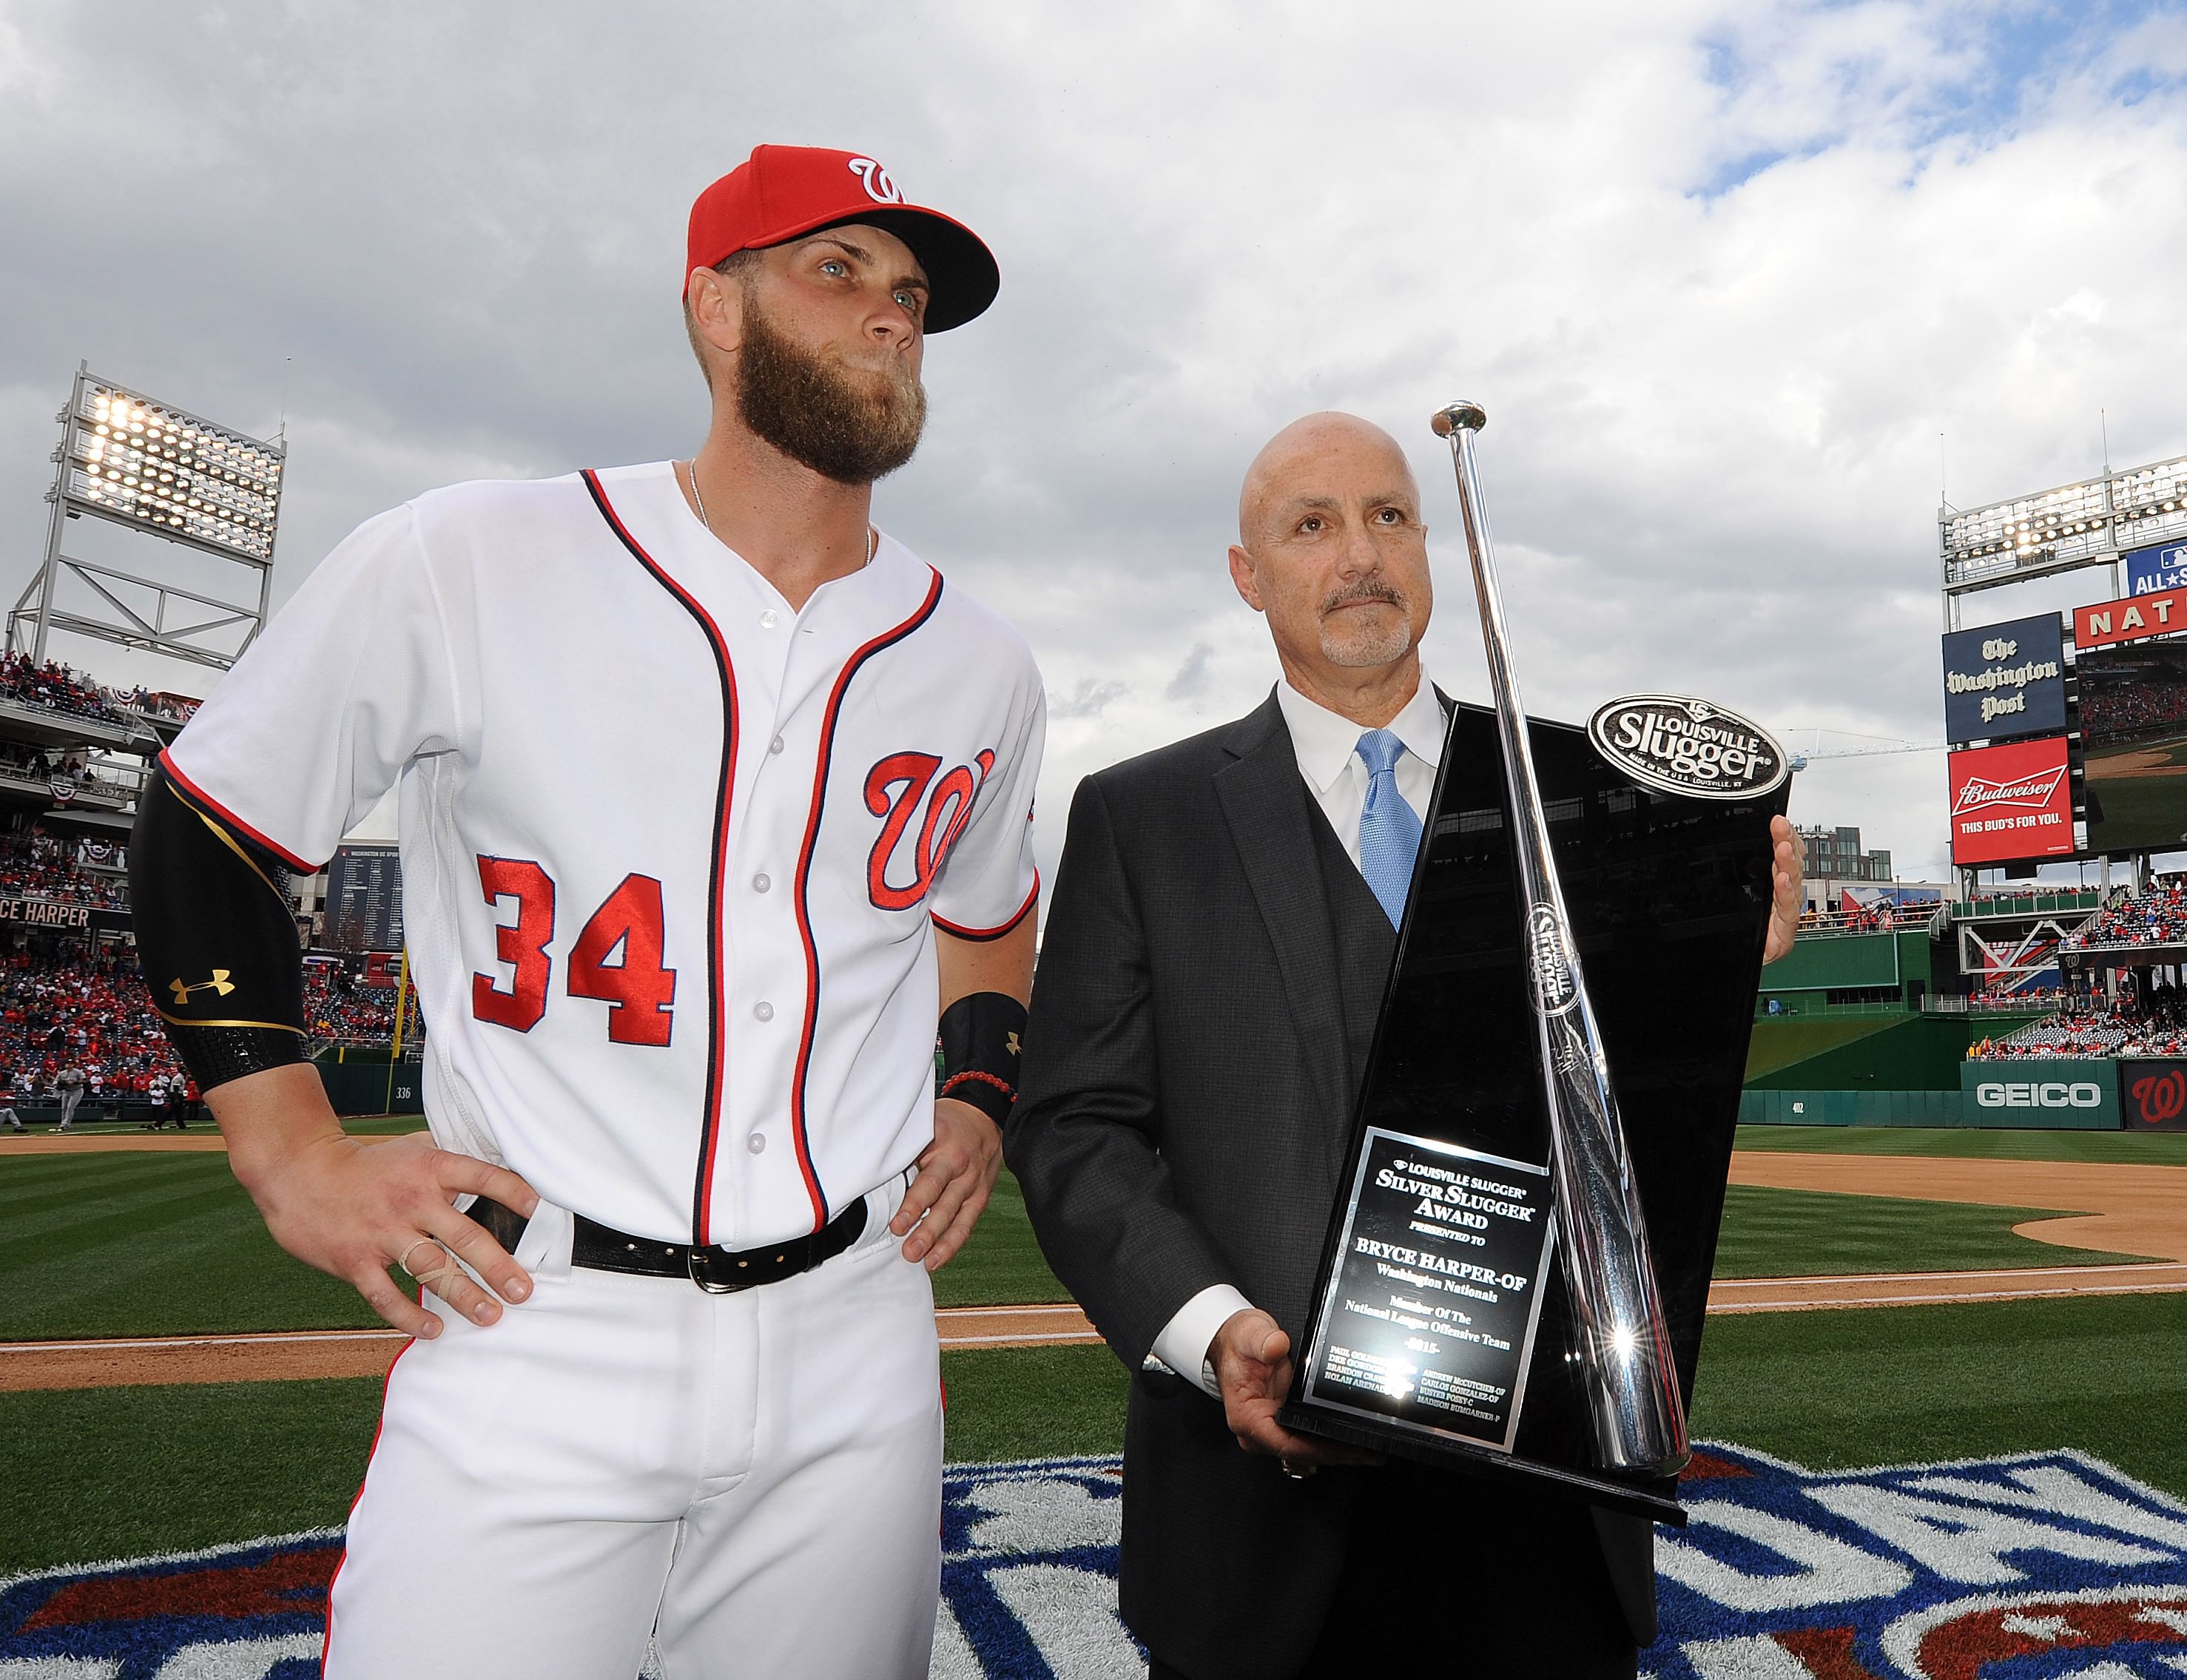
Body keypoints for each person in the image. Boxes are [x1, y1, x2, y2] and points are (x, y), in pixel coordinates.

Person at [129, 144, 1042, 1679]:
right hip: (533, 1315)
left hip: (852, 1335)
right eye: (838, 271)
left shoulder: (980, 662)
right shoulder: (473, 555)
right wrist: (289, 1153)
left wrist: (977, 1090)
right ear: (715, 305)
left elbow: (987, 906)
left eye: (911, 296)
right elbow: (206, 813)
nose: (891, 315)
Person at [1007, 412, 1803, 1679]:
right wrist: (1216, 1331)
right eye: (1309, 525)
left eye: (1387, 516)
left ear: (1429, 544)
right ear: (1245, 572)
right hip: (1253, 1525)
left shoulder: (1585, 798)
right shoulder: (1140, 817)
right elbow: (1071, 1125)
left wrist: (1712, 964)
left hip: (1544, 1516)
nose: (1359, 554)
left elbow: (1631, 1095)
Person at [52, 1062, 83, 1132]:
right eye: (68, 1063)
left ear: (73, 1065)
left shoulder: (77, 1072)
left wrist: (74, 1082)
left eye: (71, 1063)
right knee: (64, 1108)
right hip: (66, 1091)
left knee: (70, 1107)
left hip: (76, 1091)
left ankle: (66, 1124)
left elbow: (84, 1080)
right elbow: (55, 1082)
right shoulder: (62, 1073)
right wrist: (61, 1083)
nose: (69, 1065)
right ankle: (62, 1124)